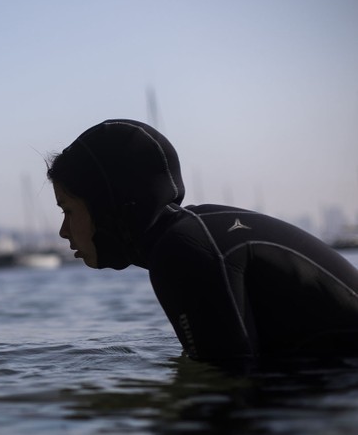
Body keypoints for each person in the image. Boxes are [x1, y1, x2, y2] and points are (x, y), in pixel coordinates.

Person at [47, 119, 358, 362]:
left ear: (107, 205)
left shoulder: (184, 250)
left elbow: (225, 403)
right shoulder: (194, 234)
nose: (64, 231)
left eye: (69, 210)